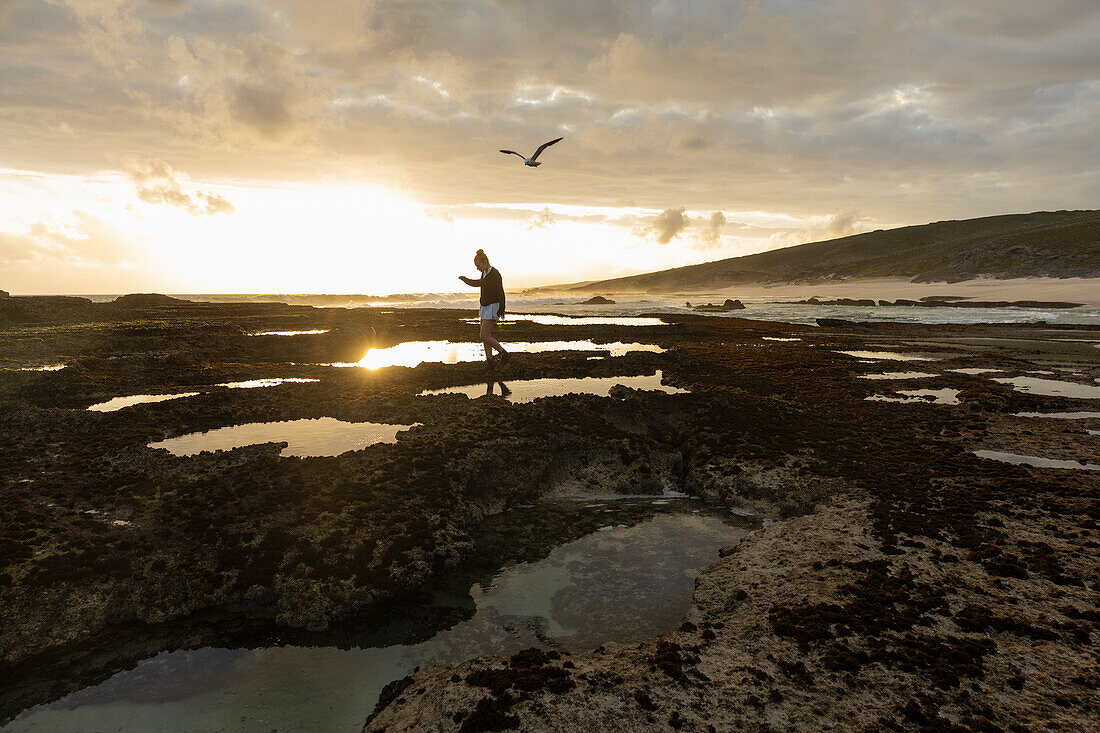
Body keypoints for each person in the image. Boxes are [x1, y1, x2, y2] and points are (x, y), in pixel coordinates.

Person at [459, 249, 510, 371]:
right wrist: (465, 280)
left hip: (493, 307)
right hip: (484, 307)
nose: (477, 268)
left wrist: (501, 309)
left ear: (485, 261)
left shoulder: (495, 274)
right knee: (486, 336)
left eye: (478, 265)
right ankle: (490, 361)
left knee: (484, 336)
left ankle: (504, 354)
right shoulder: (485, 274)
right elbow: (479, 283)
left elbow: (500, 292)